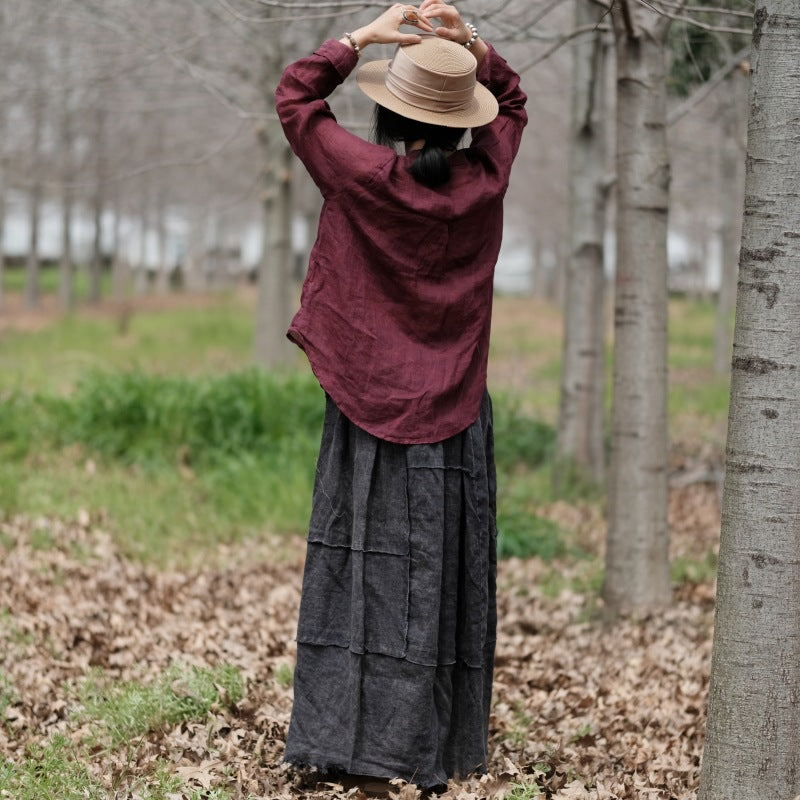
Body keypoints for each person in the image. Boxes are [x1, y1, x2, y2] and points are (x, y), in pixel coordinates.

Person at [275, 1, 527, 791]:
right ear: (461, 127)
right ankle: (429, 752)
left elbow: (295, 97)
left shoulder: (359, 173)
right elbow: (514, 104)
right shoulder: (485, 180)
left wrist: (367, 36)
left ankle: (345, 745)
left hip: (366, 405)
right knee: (437, 577)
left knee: (358, 569)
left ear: (389, 116)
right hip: (453, 416)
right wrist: (470, 44)